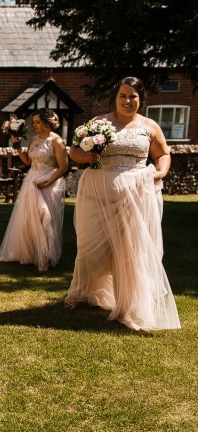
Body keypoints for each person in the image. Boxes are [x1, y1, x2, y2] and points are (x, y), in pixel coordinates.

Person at [65, 77, 180, 330]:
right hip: (97, 192)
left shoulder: (149, 126)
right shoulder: (99, 123)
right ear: (115, 97)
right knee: (89, 247)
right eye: (122, 96)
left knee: (129, 252)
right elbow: (73, 151)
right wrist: (85, 155)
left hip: (137, 193)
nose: (127, 101)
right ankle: (83, 290)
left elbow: (162, 154)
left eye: (133, 96)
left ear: (141, 99)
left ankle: (125, 309)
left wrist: (159, 173)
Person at [0, 109, 69, 271]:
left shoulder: (57, 141)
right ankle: (31, 254)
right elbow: (28, 161)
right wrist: (17, 147)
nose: (34, 125)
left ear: (46, 123)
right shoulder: (35, 139)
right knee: (29, 218)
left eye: (37, 122)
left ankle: (47, 256)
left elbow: (64, 167)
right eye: (34, 122)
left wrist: (48, 181)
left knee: (46, 218)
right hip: (32, 179)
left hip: (49, 181)